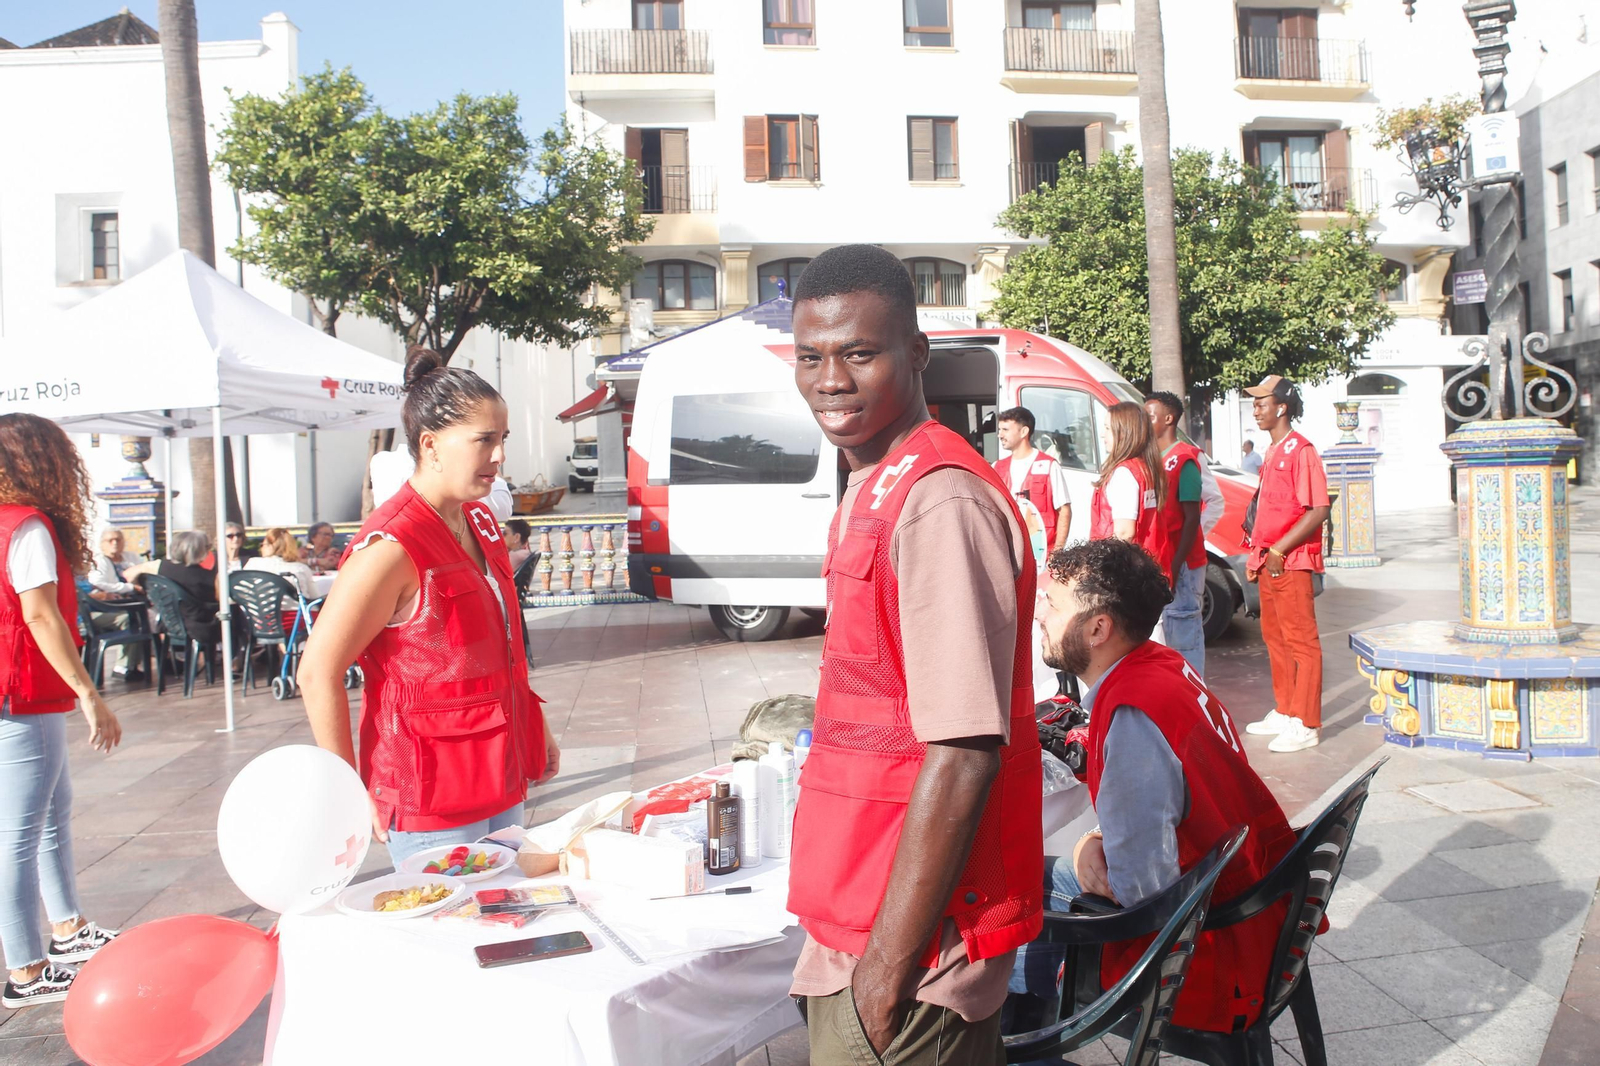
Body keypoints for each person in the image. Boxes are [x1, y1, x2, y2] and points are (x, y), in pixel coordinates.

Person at [785, 244, 1043, 1066]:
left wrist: (883, 980)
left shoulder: (938, 500)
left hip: (918, 951)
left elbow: (963, 750)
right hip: (858, 907)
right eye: (811, 356)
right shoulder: (877, 480)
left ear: (917, 353)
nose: (831, 380)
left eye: (860, 353)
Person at [1012, 538, 1298, 1036]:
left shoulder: (1131, 714)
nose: (1040, 614)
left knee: (972, 946)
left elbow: (1140, 890)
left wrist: (1084, 850)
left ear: (1098, 627)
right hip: (1235, 906)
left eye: (1052, 604)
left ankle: (1034, 1045)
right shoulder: (1164, 667)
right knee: (1015, 878)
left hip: (1193, 956)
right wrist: (1098, 842)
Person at [297, 347, 559, 865]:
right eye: (484, 440)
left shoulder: (480, 523)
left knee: (500, 919)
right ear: (431, 445)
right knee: (450, 933)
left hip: (498, 772)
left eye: (502, 439)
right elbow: (316, 671)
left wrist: (536, 725)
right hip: (430, 792)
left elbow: (497, 649)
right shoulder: (391, 546)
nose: (500, 455)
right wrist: (347, 791)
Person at [0, 414, 123, 1008]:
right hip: (22, 692)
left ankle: (68, 929)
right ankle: (26, 969)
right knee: (21, 833)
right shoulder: (26, 527)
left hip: (14, 692)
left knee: (48, 812)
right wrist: (89, 694)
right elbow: (41, 616)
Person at [1239, 376, 1331, 754]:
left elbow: (1318, 509)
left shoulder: (1301, 450)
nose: (1256, 408)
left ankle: (1306, 722)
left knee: (1301, 643)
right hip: (1268, 559)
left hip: (1290, 561)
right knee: (1275, 639)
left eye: (1262, 402)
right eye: (1255, 402)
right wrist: (1260, 552)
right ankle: (1286, 709)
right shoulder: (1274, 450)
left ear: (1282, 407)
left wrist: (1278, 549)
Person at [1144, 393, 1208, 673]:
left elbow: (1192, 518)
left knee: (1184, 636)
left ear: (1168, 419)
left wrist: (1175, 565)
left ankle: (1195, 699)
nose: (1145, 422)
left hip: (1181, 565)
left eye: (1150, 416)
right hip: (1163, 562)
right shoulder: (1153, 459)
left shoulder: (1184, 460)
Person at [1088, 401, 1165, 562]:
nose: (1103, 434)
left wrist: (1103, 569)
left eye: (1108, 428)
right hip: (1148, 565)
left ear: (1124, 433)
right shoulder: (1145, 468)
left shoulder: (1124, 473)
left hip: (1125, 571)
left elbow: (1124, 533)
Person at [994, 407, 1072, 558]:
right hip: (1009, 555)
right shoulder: (997, 467)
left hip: (1042, 556)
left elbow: (1065, 511)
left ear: (1024, 432)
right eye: (999, 429)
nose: (1000, 435)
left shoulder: (1049, 466)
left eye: (1005, 429)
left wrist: (1057, 553)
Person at [371, 442, 514, 522]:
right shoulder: (453, 466)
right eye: (484, 440)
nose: (499, 456)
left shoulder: (383, 462)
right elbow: (501, 509)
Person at [123, 532, 222, 646]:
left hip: (169, 624)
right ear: (198, 550)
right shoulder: (207, 576)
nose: (210, 551)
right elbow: (221, 599)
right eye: (207, 547)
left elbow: (128, 574)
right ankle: (234, 660)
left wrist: (143, 585)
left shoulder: (160, 566)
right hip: (200, 628)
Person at [245, 528, 320, 599]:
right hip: (297, 611)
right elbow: (315, 596)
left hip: (259, 611)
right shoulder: (301, 568)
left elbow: (240, 591)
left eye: (263, 545)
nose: (261, 548)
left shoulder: (253, 564)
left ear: (269, 546)